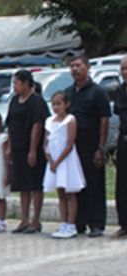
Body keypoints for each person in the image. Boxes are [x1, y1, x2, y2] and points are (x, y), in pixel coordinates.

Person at [65, 55, 111, 237]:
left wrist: (101, 147)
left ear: (87, 67)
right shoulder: (68, 92)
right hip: (73, 145)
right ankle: (78, 222)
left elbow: (104, 120)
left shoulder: (98, 92)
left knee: (94, 183)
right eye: (72, 66)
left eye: (78, 65)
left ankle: (97, 223)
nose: (74, 69)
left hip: (91, 142)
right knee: (76, 184)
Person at [6, 70, 49, 234]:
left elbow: (37, 125)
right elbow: (10, 124)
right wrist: (9, 146)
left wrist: (32, 150)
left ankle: (35, 220)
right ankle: (24, 219)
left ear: (25, 83)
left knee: (35, 185)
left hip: (32, 148)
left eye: (16, 83)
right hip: (17, 147)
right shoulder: (15, 101)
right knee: (22, 185)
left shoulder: (36, 101)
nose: (14, 87)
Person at [44, 91, 85, 239]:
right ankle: (63, 222)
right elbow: (46, 142)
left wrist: (58, 161)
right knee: (60, 193)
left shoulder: (70, 120)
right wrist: (50, 159)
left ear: (66, 104)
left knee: (70, 192)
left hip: (65, 159)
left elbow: (69, 143)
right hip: (53, 159)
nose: (56, 107)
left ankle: (71, 224)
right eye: (53, 104)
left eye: (59, 103)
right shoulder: (49, 121)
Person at [114, 55, 127, 239]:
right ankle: (124, 224)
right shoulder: (119, 91)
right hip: (124, 140)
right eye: (123, 69)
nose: (125, 72)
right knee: (122, 183)